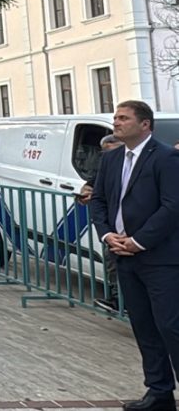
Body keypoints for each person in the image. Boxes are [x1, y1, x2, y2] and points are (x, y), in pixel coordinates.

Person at [88, 101, 179, 411]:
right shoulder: (111, 159)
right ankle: (159, 391)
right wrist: (107, 234)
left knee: (170, 325)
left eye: (124, 118)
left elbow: (172, 206)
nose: (116, 122)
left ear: (145, 124)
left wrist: (139, 241)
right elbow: (98, 200)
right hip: (124, 257)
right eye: (115, 117)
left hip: (160, 258)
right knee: (143, 326)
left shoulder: (166, 158)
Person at [77, 133, 123, 313]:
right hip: (113, 227)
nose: (108, 156)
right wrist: (87, 193)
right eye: (104, 153)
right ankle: (118, 299)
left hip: (135, 227)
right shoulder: (107, 167)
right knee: (112, 259)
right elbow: (92, 185)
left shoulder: (140, 164)